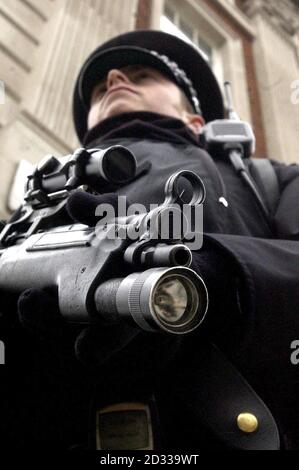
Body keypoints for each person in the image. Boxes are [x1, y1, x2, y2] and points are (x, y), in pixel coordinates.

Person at [1, 29, 299, 450]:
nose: (116, 79)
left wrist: (221, 281)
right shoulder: (31, 210)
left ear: (196, 119)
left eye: (142, 76)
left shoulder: (267, 181)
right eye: (102, 86)